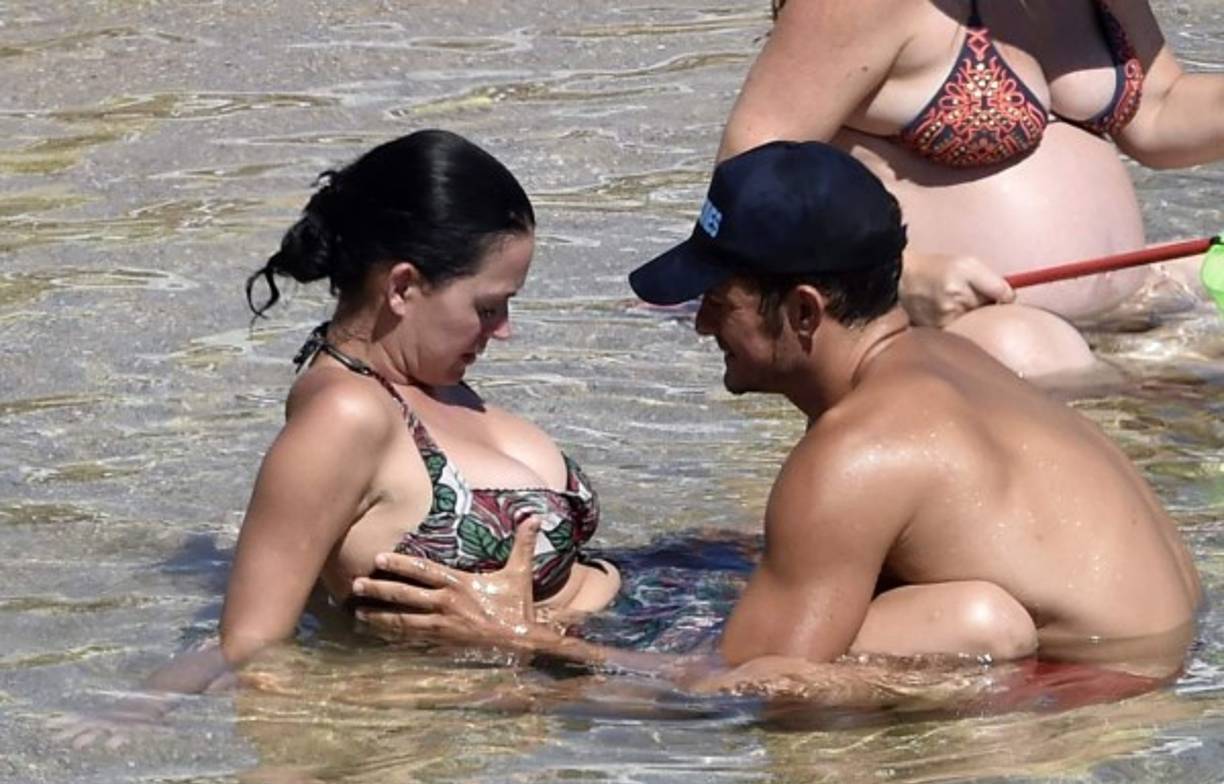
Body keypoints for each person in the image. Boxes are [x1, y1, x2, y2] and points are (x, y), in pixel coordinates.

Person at [350, 141, 1202, 702]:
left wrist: (526, 641)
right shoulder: (949, 359)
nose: (699, 324)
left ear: (801, 311)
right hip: (1164, 657)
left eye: (717, 300)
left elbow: (740, 689)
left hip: (1087, 705)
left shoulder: (856, 453)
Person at [58, 129, 620, 746]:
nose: (504, 330)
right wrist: (141, 704)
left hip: (630, 623)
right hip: (578, 674)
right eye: (488, 307)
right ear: (402, 287)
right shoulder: (345, 416)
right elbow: (250, 640)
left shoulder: (423, 382)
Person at [717, 0, 1224, 378]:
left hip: (1128, 305)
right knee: (1030, 349)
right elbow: (748, 175)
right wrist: (901, 276)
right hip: (969, 331)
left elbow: (1158, 110)